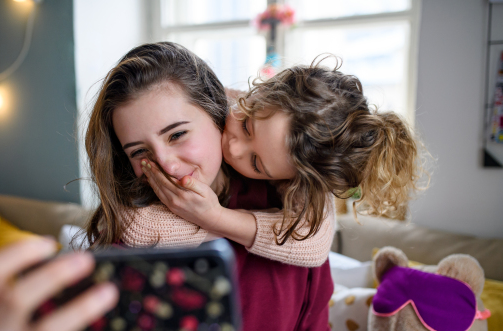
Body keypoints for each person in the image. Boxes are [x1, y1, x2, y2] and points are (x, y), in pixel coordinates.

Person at [0, 42, 334, 331]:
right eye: (140, 152)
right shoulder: (137, 249)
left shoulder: (294, 224)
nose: (167, 166)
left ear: (219, 118)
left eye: (177, 134)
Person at [121, 55, 425, 259]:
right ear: (260, 91)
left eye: (256, 164)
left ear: (286, 178)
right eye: (246, 124)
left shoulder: (301, 174)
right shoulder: (213, 101)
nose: (235, 148)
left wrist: (214, 218)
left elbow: (314, 245)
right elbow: (133, 227)